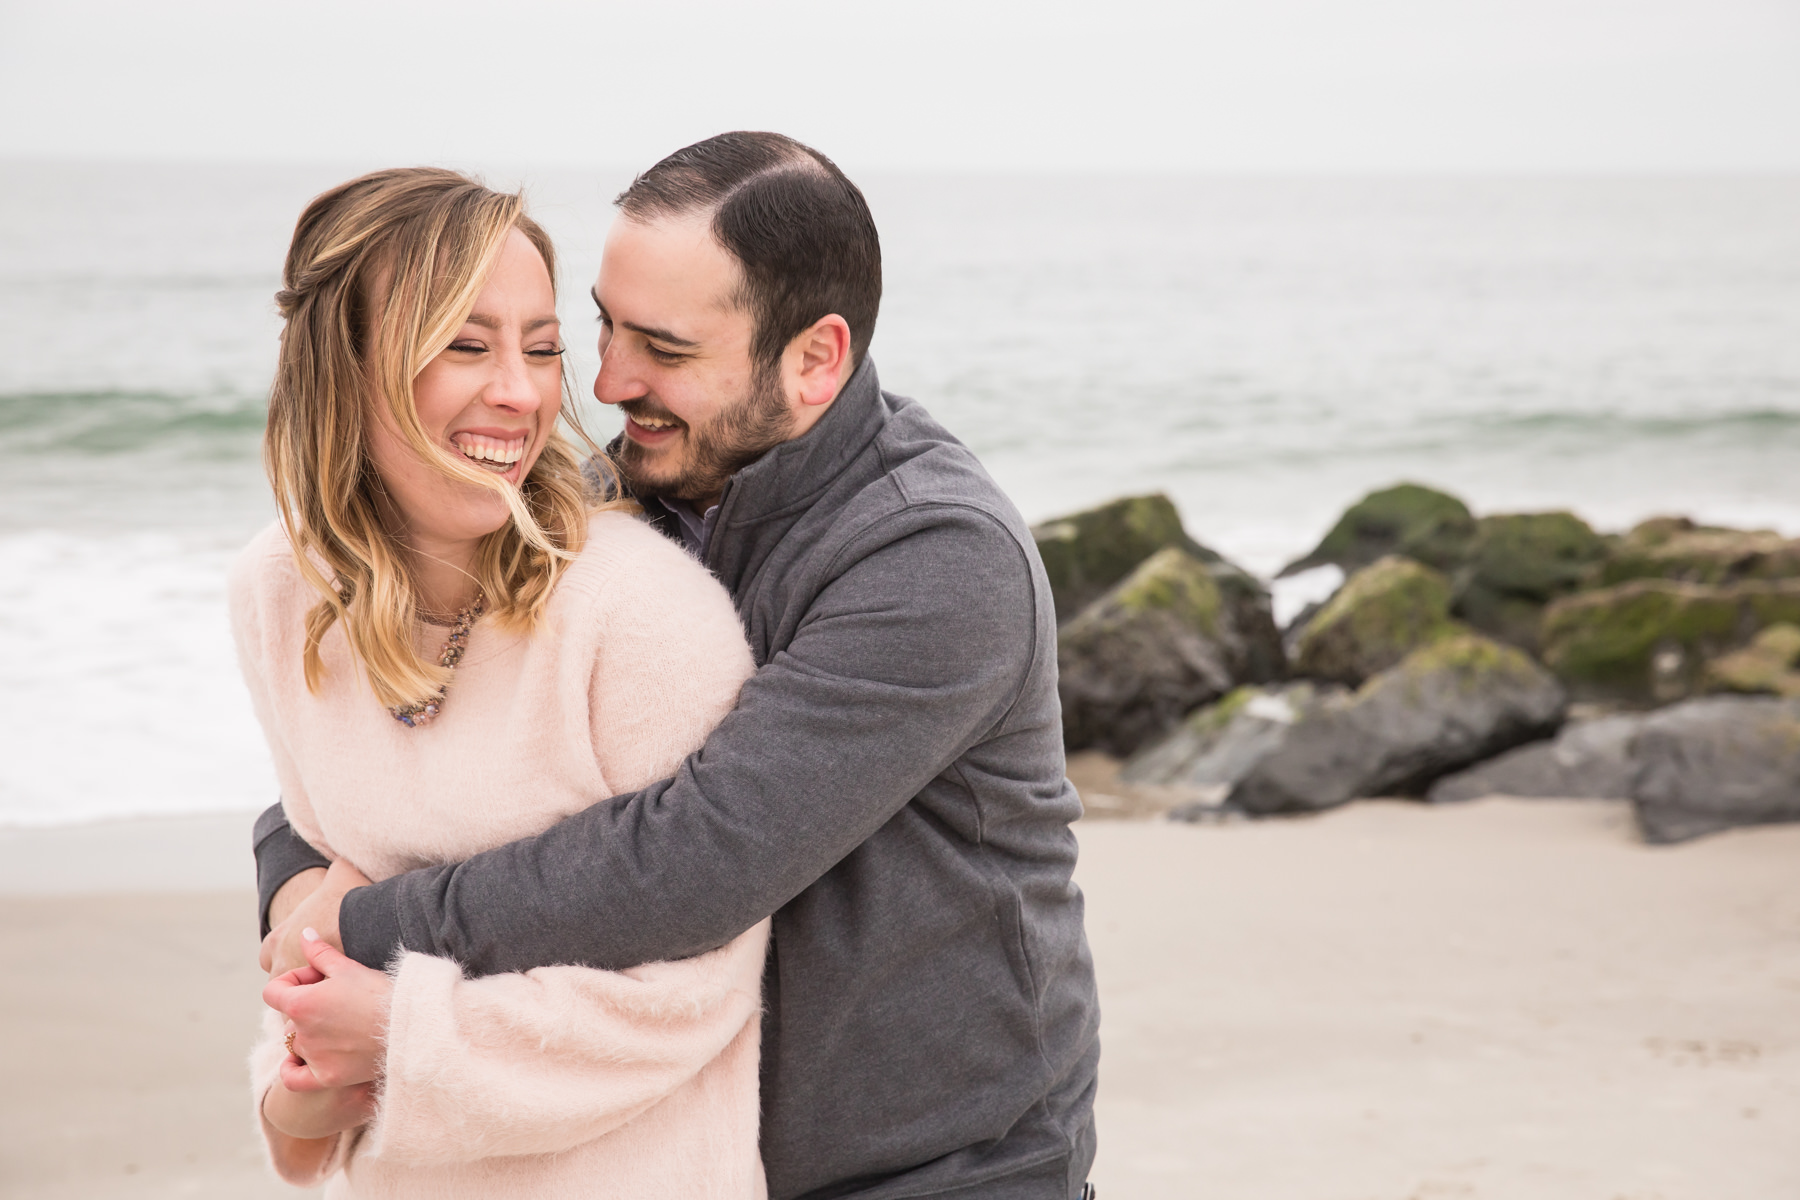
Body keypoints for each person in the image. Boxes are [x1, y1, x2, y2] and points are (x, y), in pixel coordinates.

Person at [260, 133, 1102, 1199]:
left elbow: (689, 862)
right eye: (602, 327)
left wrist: (363, 929)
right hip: (689, 1158)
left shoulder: (935, 557)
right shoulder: (615, 500)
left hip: (941, 1166)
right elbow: (376, 758)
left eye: (662, 346)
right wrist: (290, 885)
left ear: (814, 359)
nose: (609, 382)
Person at [235, 166, 770, 1196]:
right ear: (346, 366)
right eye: (467, 345)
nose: (522, 395)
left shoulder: (642, 614)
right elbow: (321, 917)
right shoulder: (278, 590)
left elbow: (698, 993)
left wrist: (398, 1033)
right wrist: (298, 1092)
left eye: (541, 347)